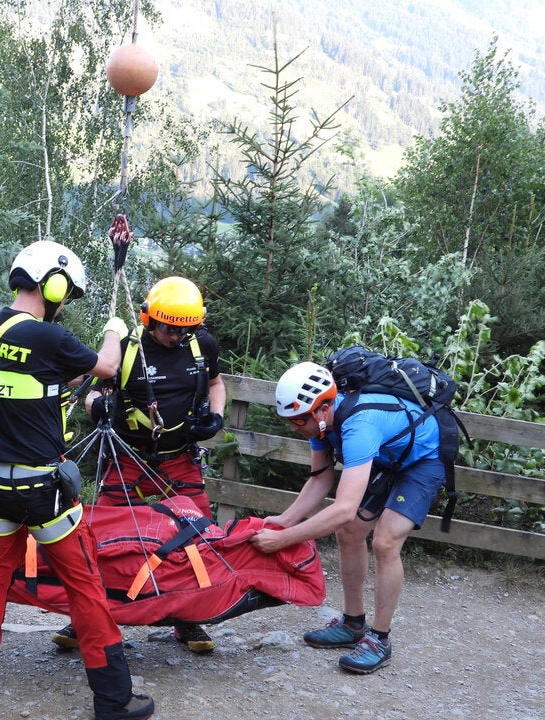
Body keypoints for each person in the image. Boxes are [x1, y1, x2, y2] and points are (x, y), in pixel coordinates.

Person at [0, 240, 155, 720]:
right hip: (43, 491)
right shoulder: (44, 335)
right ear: (53, 282)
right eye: (65, 293)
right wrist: (115, 330)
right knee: (84, 586)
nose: (64, 303)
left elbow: (25, 385)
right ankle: (113, 699)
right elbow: (106, 366)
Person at [51, 276, 225, 654]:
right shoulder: (128, 349)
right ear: (149, 319)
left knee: (197, 533)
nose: (177, 336)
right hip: (127, 456)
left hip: (180, 457)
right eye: (169, 329)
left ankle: (188, 618)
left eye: (186, 329)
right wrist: (97, 405)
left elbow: (215, 383)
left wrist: (217, 416)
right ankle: (89, 616)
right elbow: (93, 388)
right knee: (100, 536)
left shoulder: (201, 345)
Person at [249, 361, 445, 674]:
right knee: (351, 532)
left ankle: (380, 639)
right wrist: (285, 520)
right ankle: (353, 624)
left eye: (299, 419)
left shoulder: (359, 425)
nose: (294, 427)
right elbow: (319, 479)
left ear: (324, 407)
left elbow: (343, 509)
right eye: (289, 420)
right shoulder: (321, 422)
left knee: (385, 540)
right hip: (387, 457)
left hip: (423, 461)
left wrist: (283, 539)